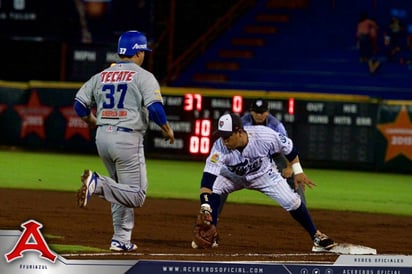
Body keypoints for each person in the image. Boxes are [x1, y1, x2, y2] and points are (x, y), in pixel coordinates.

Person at [73, 30, 175, 252]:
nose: (144, 55)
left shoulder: (101, 76)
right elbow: (155, 108)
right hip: (127, 138)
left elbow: (79, 105)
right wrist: (167, 129)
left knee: (119, 188)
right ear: (138, 52)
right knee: (136, 195)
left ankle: (121, 239)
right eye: (143, 51)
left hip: (102, 137)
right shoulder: (143, 76)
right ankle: (96, 184)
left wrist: (92, 121)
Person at [193, 113, 335, 251]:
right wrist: (205, 205)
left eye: (227, 136)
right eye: (221, 136)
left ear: (239, 132)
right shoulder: (219, 147)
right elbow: (207, 179)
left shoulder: (265, 136)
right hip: (231, 176)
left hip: (263, 175)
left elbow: (290, 149)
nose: (224, 140)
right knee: (215, 189)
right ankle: (212, 235)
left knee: (292, 202)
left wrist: (298, 171)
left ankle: (316, 236)